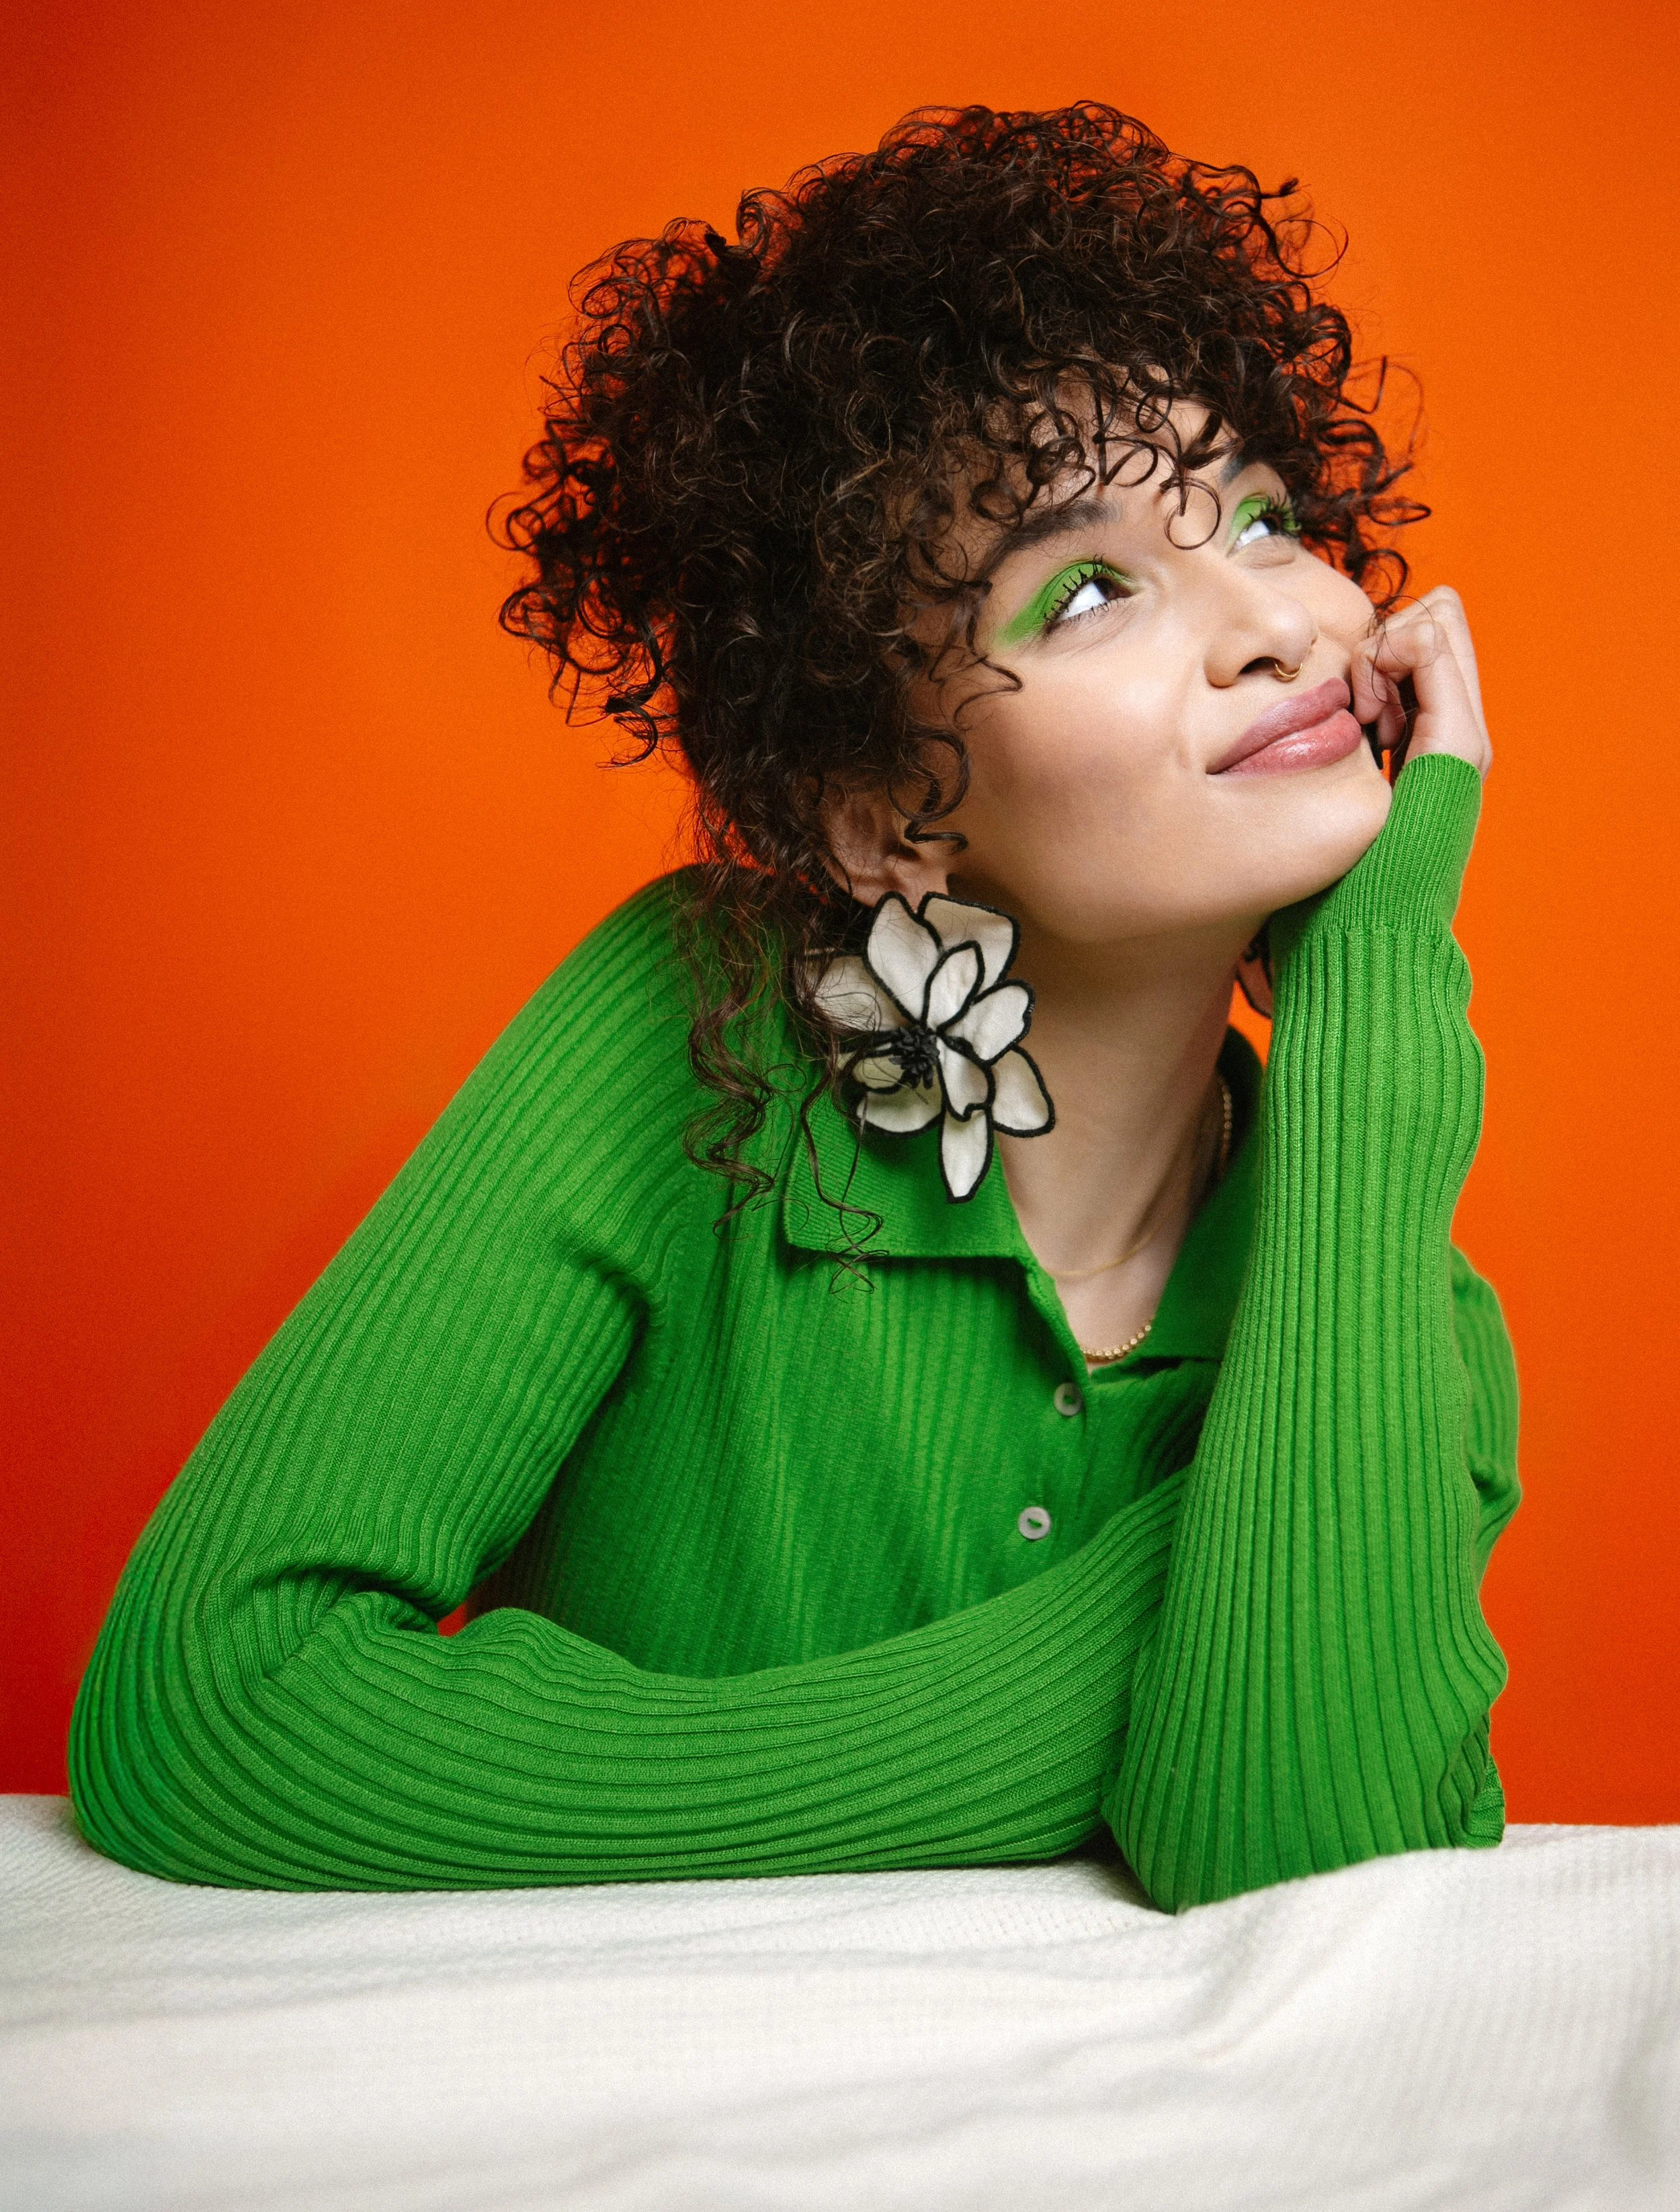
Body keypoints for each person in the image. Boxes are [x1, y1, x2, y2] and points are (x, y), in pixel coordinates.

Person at [69, 105, 1518, 1912]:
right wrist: (1099, 1688)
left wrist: (1376, 989)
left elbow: (1303, 1866)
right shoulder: (696, 1041)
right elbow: (210, 1716)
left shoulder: (1380, 1285)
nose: (1272, 623)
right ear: (878, 812)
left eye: (1256, 516)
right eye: (1088, 590)